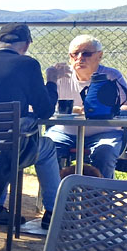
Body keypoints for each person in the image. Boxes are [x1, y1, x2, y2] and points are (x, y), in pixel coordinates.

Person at [0, 23, 63, 229]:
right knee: (46, 147)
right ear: (25, 46)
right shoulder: (28, 65)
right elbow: (45, 111)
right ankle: (54, 212)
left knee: (8, 138)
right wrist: (52, 81)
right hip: (9, 149)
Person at [45, 34, 127, 179]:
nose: (80, 58)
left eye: (86, 54)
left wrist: (105, 111)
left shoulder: (111, 76)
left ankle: (101, 193)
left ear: (99, 56)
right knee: (47, 148)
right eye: (75, 54)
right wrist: (51, 79)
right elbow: (44, 106)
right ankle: (55, 192)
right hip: (65, 131)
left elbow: (125, 105)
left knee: (105, 153)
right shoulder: (60, 75)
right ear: (70, 57)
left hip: (105, 132)